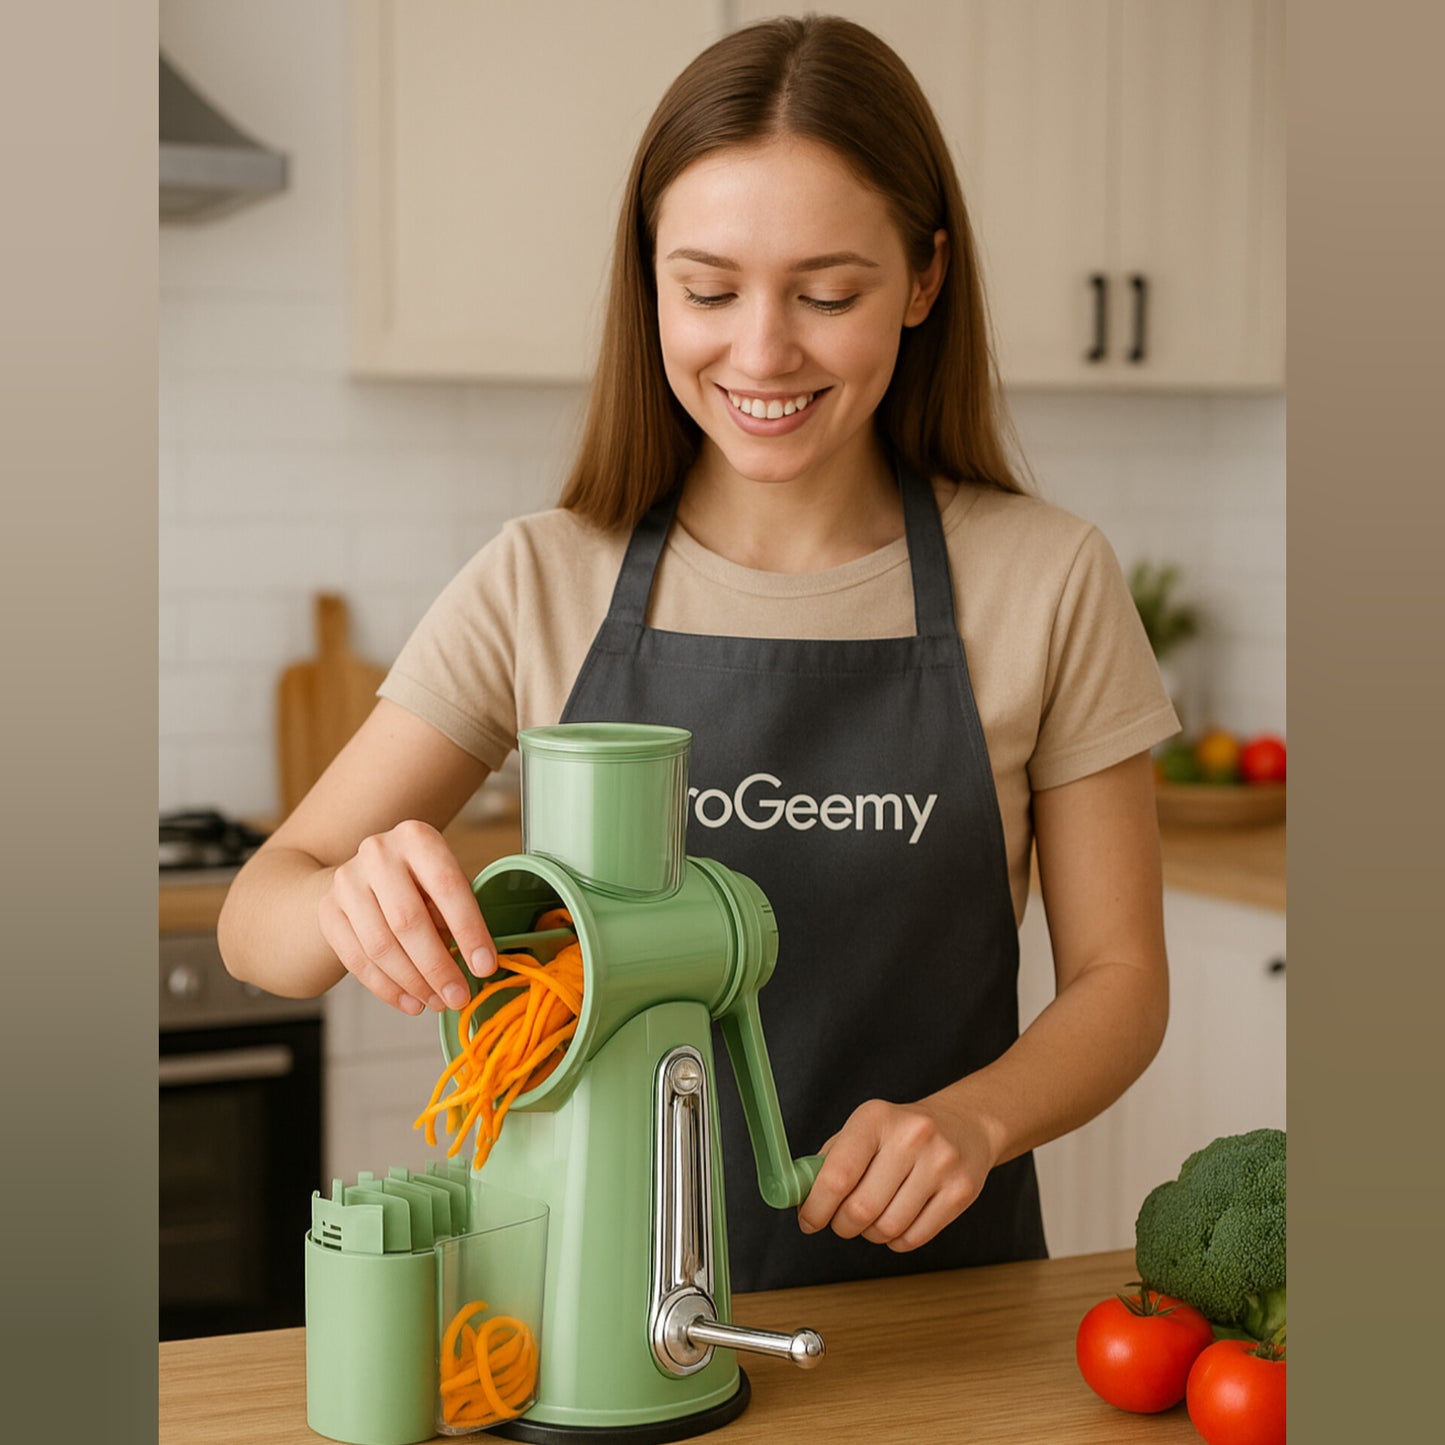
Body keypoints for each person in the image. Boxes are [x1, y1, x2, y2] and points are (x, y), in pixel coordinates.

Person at [219, 14, 1176, 1292]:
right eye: (709, 290)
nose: (762, 350)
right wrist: (349, 898)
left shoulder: (1045, 577)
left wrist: (978, 1118)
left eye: (827, 294)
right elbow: (255, 920)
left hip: (933, 1311)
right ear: (649, 279)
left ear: (924, 279)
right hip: (583, 1313)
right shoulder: (539, 577)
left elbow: (1119, 978)